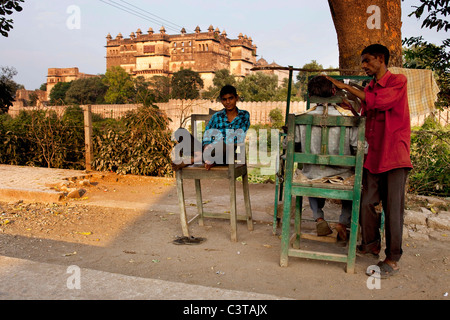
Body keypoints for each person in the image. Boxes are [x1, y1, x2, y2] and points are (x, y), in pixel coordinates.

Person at [327, 44, 412, 278]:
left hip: (394, 155)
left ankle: (393, 259)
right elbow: (368, 115)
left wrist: (347, 88)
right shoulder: (370, 87)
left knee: (393, 209)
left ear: (380, 59)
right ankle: (371, 244)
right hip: (373, 156)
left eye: (367, 61)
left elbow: (380, 103)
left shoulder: (397, 81)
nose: (363, 66)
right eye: (363, 62)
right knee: (366, 202)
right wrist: (352, 109)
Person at [293, 75, 358, 240]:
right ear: (334, 91)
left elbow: (293, 146)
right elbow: (359, 149)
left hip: (312, 175)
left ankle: (319, 217)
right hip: (342, 176)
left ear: (310, 96)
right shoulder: (349, 119)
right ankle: (343, 222)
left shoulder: (300, 119)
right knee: (356, 178)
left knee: (309, 174)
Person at [172, 85, 250, 171]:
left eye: (231, 98)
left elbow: (238, 137)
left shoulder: (244, 115)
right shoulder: (216, 116)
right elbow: (207, 133)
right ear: (221, 101)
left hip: (226, 153)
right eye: (224, 99)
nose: (228, 102)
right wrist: (206, 146)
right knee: (180, 132)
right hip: (209, 150)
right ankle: (206, 158)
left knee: (223, 145)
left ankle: (193, 160)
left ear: (236, 98)